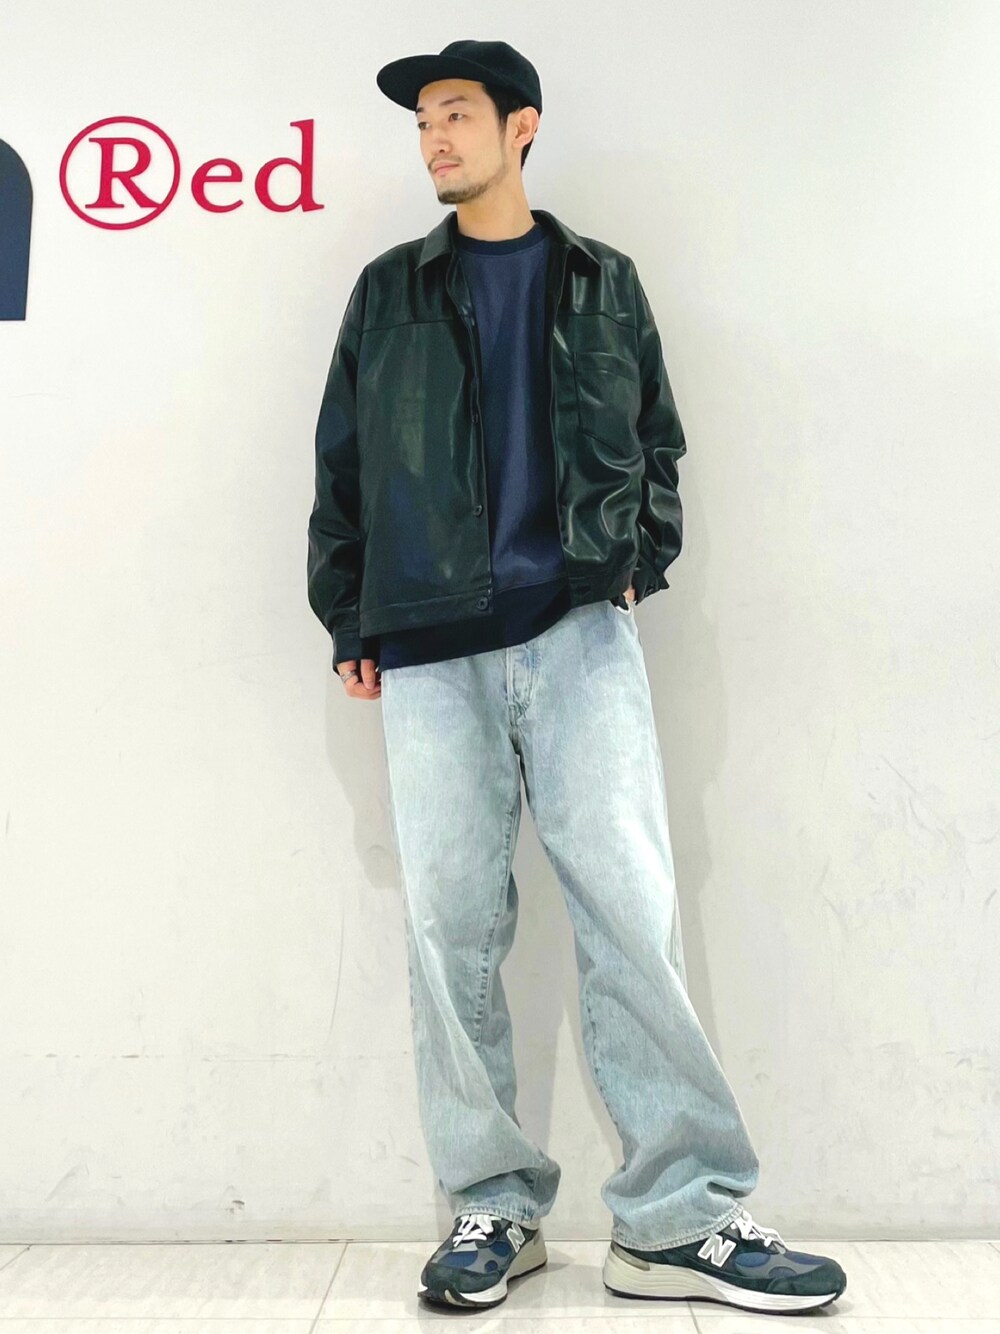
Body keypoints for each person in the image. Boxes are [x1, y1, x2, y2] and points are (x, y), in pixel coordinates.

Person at [306, 38, 847, 1317]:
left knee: (631, 920)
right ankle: (491, 1207)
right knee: (450, 930)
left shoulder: (604, 280)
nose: (433, 140)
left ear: (521, 126)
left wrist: (633, 561)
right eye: (422, 123)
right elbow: (342, 462)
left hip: (579, 634)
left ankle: (679, 1217)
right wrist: (349, 615)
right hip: (429, 645)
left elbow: (656, 437)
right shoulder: (387, 290)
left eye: (454, 114)